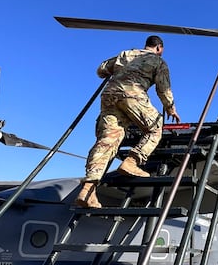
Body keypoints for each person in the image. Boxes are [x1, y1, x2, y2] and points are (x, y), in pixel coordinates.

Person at [76, 35, 181, 208]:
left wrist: (119, 69)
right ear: (159, 48)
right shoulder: (158, 61)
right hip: (133, 94)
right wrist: (171, 108)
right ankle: (132, 161)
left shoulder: (126, 54)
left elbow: (101, 69)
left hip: (110, 95)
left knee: (107, 141)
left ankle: (88, 190)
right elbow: (163, 88)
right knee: (155, 128)